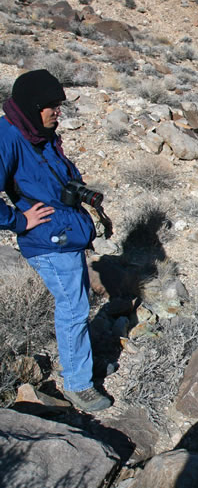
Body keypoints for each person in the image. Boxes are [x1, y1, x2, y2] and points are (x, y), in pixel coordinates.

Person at [0, 69, 111, 412]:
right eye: (51, 106)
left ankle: (79, 368)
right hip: (48, 241)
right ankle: (79, 385)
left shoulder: (37, 131)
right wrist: (19, 220)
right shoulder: (8, 137)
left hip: (65, 234)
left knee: (76, 304)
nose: (57, 112)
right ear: (34, 106)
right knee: (74, 309)